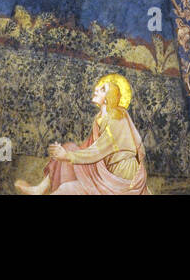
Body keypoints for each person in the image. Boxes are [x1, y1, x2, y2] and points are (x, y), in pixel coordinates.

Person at [16, 73, 148, 194]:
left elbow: (98, 151)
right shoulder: (99, 118)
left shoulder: (117, 118)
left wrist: (66, 156)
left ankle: (40, 191)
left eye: (102, 89)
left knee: (67, 188)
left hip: (122, 174)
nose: (96, 89)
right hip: (106, 169)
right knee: (68, 148)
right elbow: (88, 147)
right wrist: (62, 152)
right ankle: (40, 189)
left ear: (108, 98)